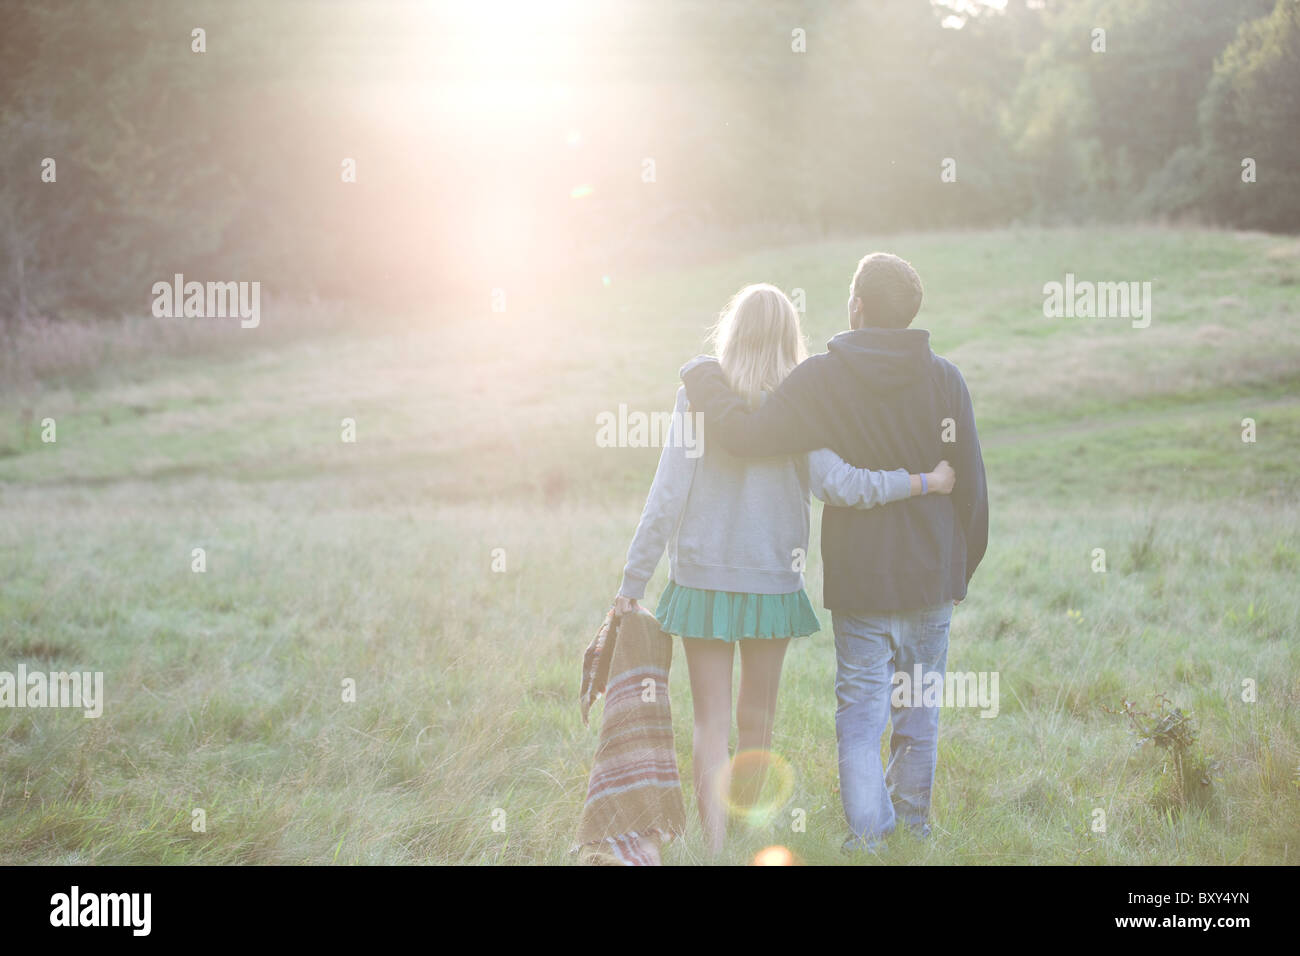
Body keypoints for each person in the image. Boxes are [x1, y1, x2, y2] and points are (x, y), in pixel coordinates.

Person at [613, 282, 956, 855]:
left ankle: (714, 848)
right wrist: (924, 481)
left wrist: (631, 583)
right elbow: (840, 485)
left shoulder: (698, 396)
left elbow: (665, 495)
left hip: (702, 581)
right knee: (758, 720)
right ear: (789, 337)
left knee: (709, 725)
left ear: (733, 332)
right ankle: (750, 837)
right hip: (774, 580)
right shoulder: (801, 405)